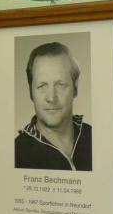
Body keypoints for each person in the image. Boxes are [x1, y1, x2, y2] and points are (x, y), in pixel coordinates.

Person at [15, 42, 92, 171]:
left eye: (60, 85)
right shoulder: (16, 153)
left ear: (75, 87)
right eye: (42, 86)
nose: (51, 98)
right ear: (30, 91)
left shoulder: (96, 138)